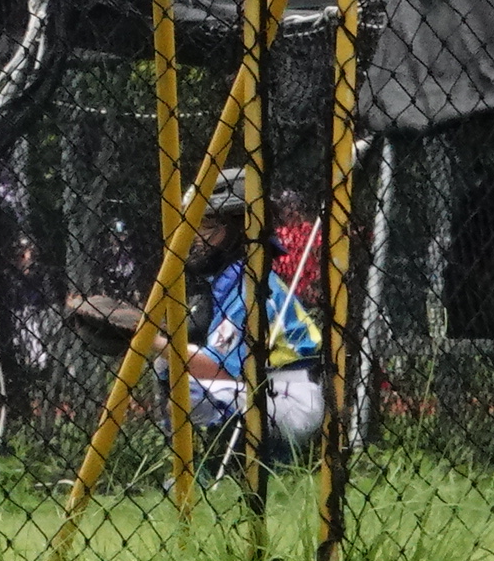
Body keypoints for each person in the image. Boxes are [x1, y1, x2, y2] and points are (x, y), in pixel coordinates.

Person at [67, 171, 324, 455]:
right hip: (267, 392)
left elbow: (220, 369)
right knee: (170, 366)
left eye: (208, 225)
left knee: (187, 389)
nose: (197, 236)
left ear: (241, 226)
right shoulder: (230, 279)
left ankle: (235, 461)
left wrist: (150, 337)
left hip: (290, 397)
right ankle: (219, 459)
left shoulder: (252, 285)